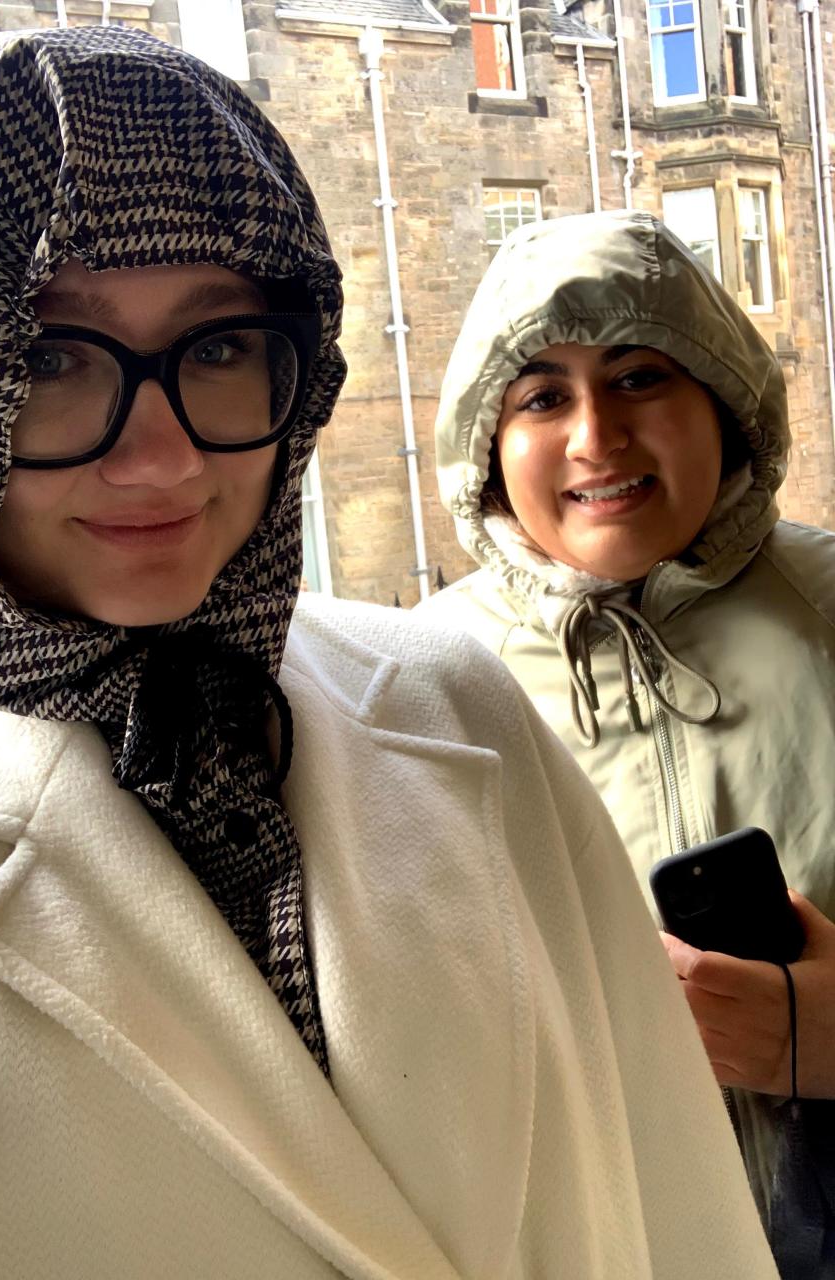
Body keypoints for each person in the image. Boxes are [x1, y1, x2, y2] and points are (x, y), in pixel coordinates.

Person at [0, 33, 778, 1279]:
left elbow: (682, 1207)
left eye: (221, 345)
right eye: (49, 359)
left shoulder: (453, 695)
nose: (162, 456)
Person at [421, 207, 835, 1274]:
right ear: (487, 438)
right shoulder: (412, 686)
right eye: (543, 395)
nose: (596, 436)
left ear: (724, 401)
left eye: (641, 375)